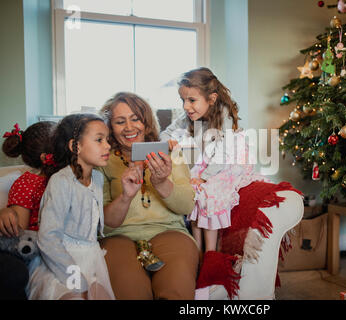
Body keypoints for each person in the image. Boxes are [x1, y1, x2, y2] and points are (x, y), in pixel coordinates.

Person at [98, 92, 198, 300]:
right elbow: (105, 223)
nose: (129, 127)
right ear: (109, 127)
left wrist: (161, 183)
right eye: (119, 121)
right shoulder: (102, 160)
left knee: (176, 290)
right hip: (118, 238)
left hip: (169, 232)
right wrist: (125, 197)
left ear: (147, 121)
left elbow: (187, 206)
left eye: (135, 118)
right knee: (129, 291)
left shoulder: (170, 152)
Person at [160, 67, 268, 254]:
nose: (186, 106)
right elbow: (167, 132)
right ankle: (197, 248)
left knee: (210, 191)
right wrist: (165, 141)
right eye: (183, 100)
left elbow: (223, 153)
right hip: (210, 159)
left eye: (192, 100)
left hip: (233, 161)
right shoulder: (190, 115)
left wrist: (206, 177)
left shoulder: (223, 114)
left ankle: (211, 253)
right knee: (190, 187)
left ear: (211, 99)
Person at [27, 114, 122, 300]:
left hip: (91, 258)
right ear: (75, 146)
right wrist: (75, 280)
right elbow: (48, 239)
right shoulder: (61, 181)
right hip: (61, 263)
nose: (108, 145)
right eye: (99, 140)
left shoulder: (97, 178)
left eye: (107, 140)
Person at [0, 121, 57, 300]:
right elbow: (20, 232)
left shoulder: (67, 178)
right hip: (36, 250)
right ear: (46, 157)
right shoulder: (27, 184)